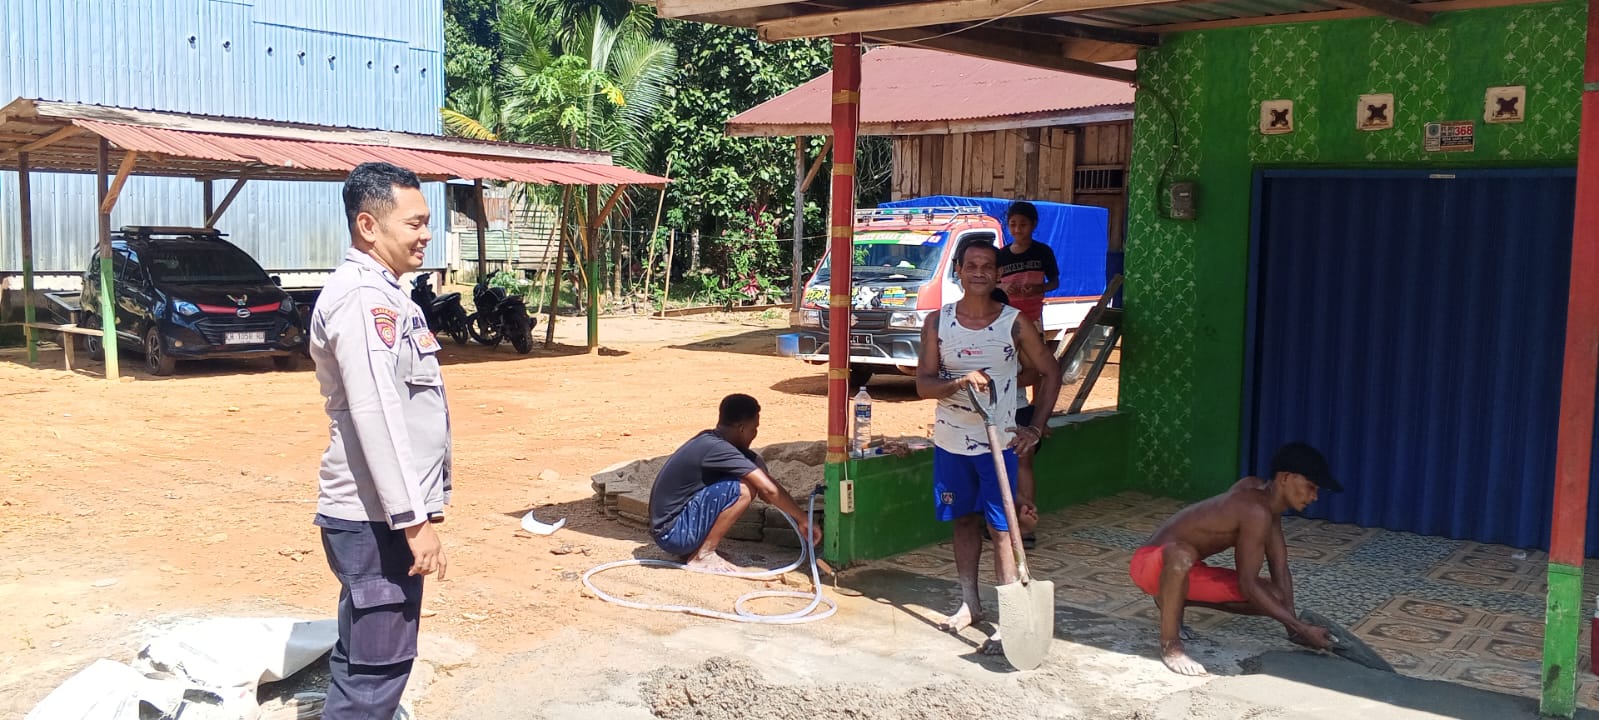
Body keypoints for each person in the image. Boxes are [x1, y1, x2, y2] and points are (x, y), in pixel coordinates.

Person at [309, 161, 450, 720]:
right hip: (376, 519)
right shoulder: (363, 299)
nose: (426, 234)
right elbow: (377, 413)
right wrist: (413, 522)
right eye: (414, 223)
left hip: (380, 514)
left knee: (365, 660)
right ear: (368, 226)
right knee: (376, 673)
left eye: (426, 222)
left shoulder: (389, 294)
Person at [917, 237, 1062, 654]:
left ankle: (1009, 619)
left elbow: (1050, 372)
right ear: (958, 272)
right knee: (963, 521)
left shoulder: (1014, 323)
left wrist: (1035, 427)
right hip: (951, 441)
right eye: (971, 265)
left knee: (1002, 529)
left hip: (998, 445)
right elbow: (923, 385)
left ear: (998, 275)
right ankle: (970, 603)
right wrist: (959, 382)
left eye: (987, 266)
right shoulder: (937, 322)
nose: (979, 272)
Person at [1129, 442, 1343, 676]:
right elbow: (1247, 584)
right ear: (1286, 477)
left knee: (1276, 598)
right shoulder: (1255, 510)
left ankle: (1171, 599)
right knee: (1181, 554)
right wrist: (1302, 627)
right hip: (1150, 565)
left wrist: (1294, 630)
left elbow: (1279, 565)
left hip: (1186, 570)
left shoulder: (1264, 498)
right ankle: (1171, 646)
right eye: (1310, 487)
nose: (1314, 497)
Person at [649, 394, 820, 573]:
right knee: (744, 488)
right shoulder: (717, 448)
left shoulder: (711, 440)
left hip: (670, 529)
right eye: (754, 428)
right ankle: (703, 554)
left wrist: (758, 465)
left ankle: (698, 549)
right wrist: (802, 519)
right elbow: (768, 489)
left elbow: (758, 469)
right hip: (672, 535)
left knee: (748, 479)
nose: (755, 434)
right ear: (741, 428)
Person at [996, 201, 1060, 549]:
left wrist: (1038, 290)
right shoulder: (1001, 257)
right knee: (1003, 465)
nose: (1017, 229)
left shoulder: (1043, 252)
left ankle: (1025, 525)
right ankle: (1001, 523)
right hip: (991, 413)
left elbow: (1042, 372)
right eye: (1013, 224)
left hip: (1031, 318)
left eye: (1023, 224)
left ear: (1033, 225)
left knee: (1021, 461)